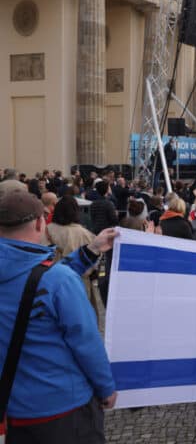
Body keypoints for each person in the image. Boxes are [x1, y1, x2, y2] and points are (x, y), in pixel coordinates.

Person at [0, 189, 118, 443]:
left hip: (14, 409)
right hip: (64, 410)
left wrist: (91, 250)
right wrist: (106, 388)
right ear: (40, 222)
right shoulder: (58, 282)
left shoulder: (50, 278)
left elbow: (34, 281)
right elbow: (86, 342)